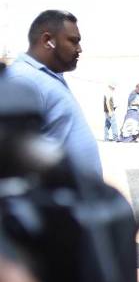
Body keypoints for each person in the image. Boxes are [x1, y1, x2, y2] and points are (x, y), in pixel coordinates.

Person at [5, 10, 102, 180]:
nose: (79, 49)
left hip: (79, 200)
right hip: (57, 202)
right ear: (47, 40)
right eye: (73, 41)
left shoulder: (46, 76)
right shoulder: (22, 79)